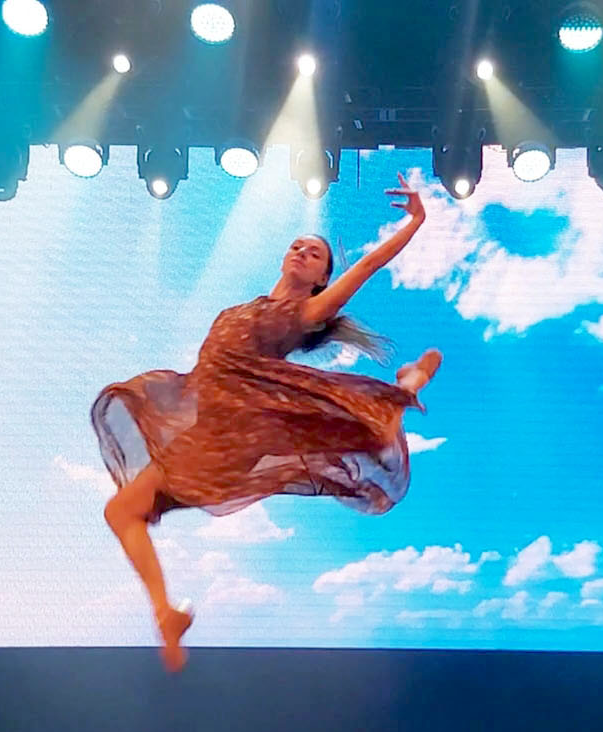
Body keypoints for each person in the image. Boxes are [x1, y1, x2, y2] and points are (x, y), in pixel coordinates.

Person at [92, 171, 444, 672]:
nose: (302, 252)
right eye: (297, 246)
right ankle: (166, 615)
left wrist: (415, 222)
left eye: (314, 254)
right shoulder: (249, 308)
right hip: (204, 431)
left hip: (240, 433)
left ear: (321, 279)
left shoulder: (307, 312)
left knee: (360, 423)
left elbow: (367, 265)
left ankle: (408, 385)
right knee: (120, 511)